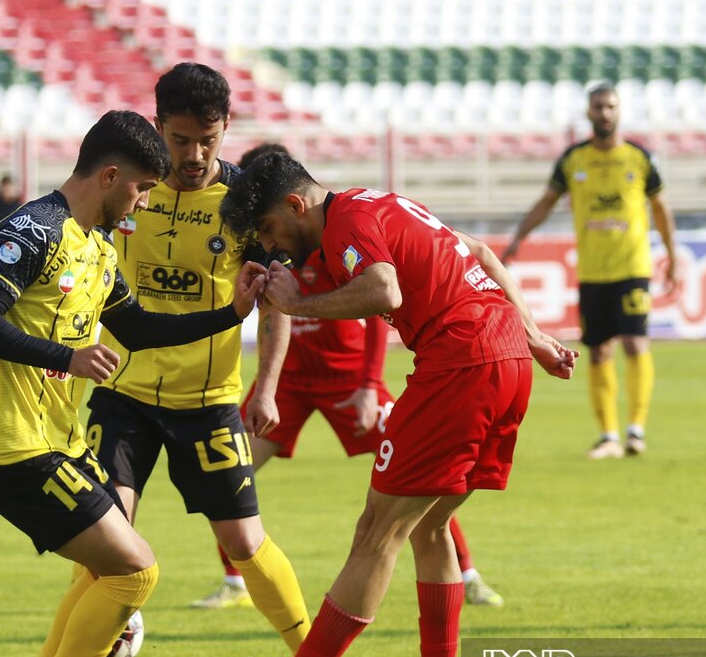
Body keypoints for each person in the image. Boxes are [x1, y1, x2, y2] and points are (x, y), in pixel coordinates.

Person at [205, 152, 577, 657]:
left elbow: (384, 291)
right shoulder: (378, 204)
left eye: (273, 231)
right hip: (503, 359)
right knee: (428, 529)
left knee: (379, 530)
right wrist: (533, 338)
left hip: (460, 361)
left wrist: (298, 303)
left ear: (295, 205)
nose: (274, 247)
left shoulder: (348, 220)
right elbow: (478, 253)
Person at [0, 110, 266, 657]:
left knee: (113, 570)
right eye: (142, 189)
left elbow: (145, 329)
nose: (145, 202)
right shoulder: (32, 230)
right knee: (135, 570)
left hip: (56, 443)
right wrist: (65, 358)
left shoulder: (97, 247)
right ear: (111, 174)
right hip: (12, 449)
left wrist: (230, 314)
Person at [82, 64, 372, 657]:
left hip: (207, 399)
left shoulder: (247, 202)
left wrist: (265, 387)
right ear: (157, 127)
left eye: (207, 140)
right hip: (123, 389)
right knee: (105, 532)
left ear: (226, 130)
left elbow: (274, 303)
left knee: (244, 541)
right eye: (180, 139)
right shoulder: (130, 187)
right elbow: (87, 270)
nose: (194, 155)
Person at [194, 142, 505, 611]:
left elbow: (380, 309)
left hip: (348, 379)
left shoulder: (332, 233)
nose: (267, 235)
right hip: (293, 382)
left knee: (421, 478)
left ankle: (468, 573)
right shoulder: (268, 246)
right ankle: (235, 581)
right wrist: (268, 389)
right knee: (227, 475)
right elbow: (271, 313)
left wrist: (367, 385)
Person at [502, 83, 677, 459]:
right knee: (597, 352)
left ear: (619, 111)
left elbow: (661, 209)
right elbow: (546, 202)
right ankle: (609, 436)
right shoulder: (573, 160)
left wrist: (673, 256)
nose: (605, 113)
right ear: (588, 112)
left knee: (634, 343)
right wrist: (519, 237)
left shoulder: (639, 158)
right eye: (598, 107)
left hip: (632, 267)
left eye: (610, 106)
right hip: (593, 273)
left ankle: (636, 430)